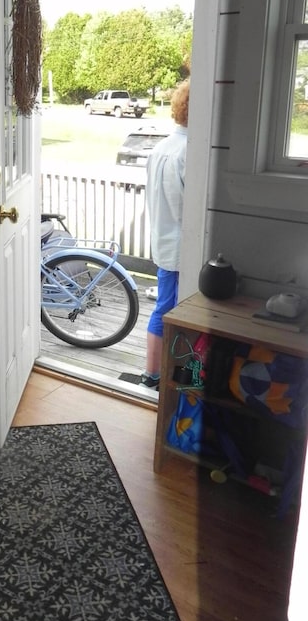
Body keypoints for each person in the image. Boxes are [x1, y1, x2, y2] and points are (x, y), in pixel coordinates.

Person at [140, 79, 189, 390]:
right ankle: (155, 375)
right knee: (170, 309)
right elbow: (187, 210)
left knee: (165, 306)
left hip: (164, 242)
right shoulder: (187, 152)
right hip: (180, 249)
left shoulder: (162, 147)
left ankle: (156, 373)